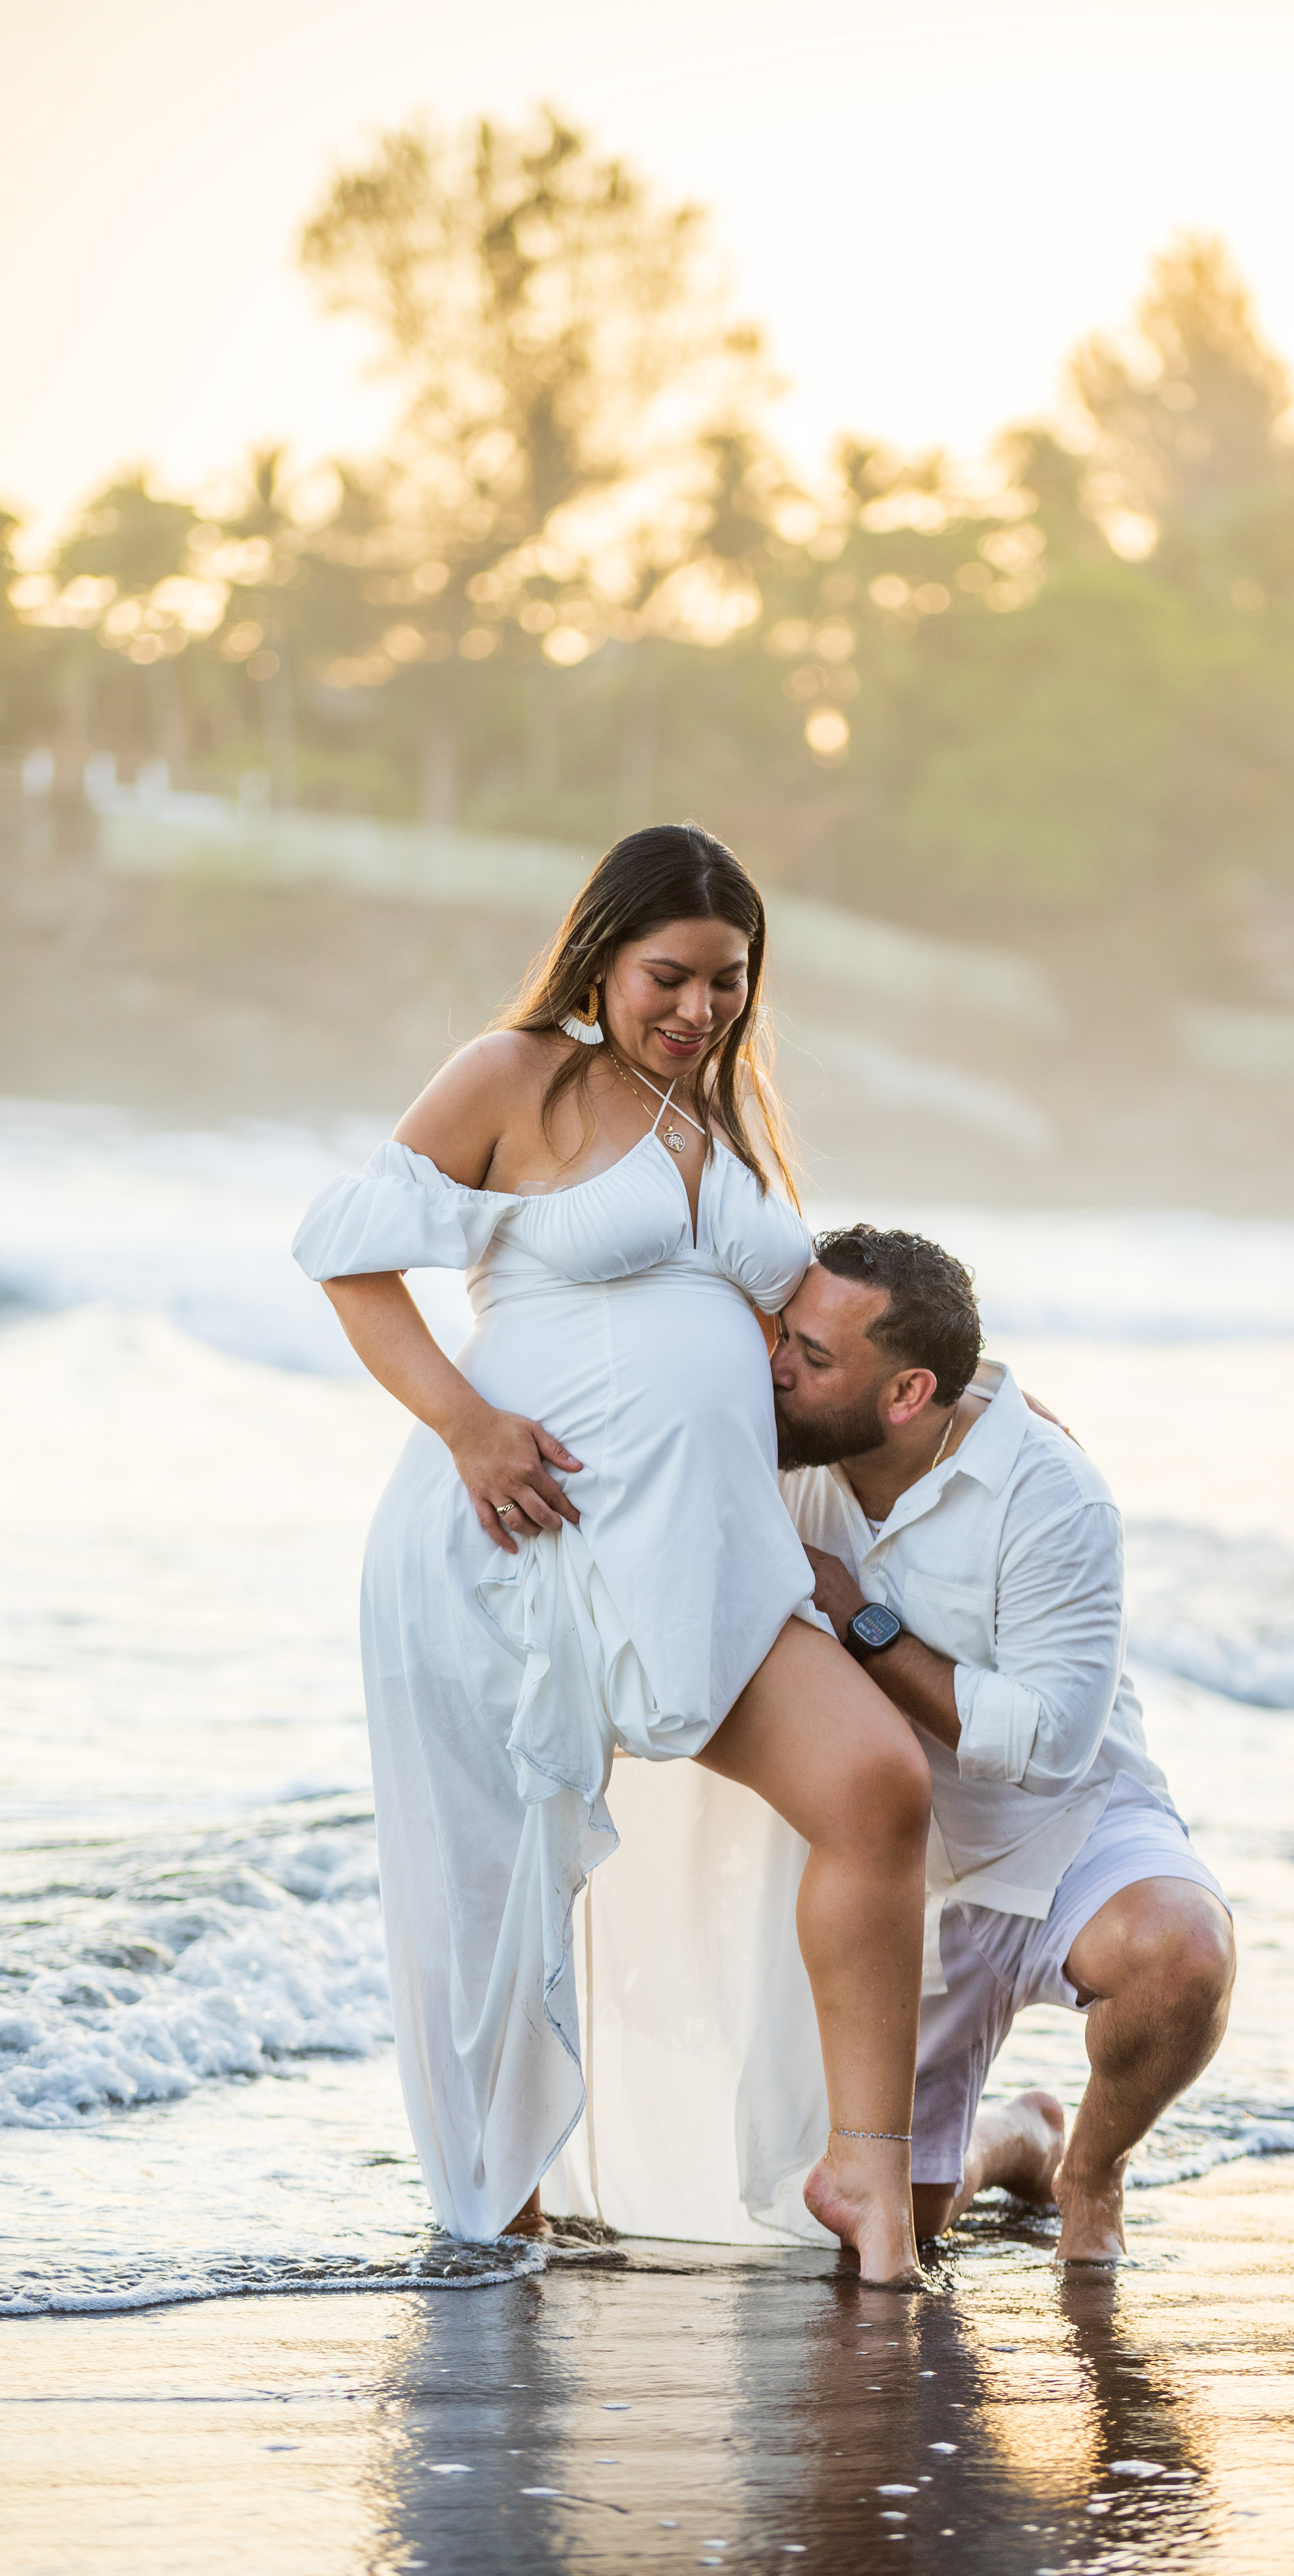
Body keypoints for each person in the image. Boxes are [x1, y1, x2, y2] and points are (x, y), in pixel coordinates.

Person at [291, 825, 930, 2284]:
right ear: (603, 956)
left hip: (705, 1563)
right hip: (510, 1548)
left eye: (728, 982)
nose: (699, 1010)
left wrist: (969, 1409)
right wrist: (468, 1427)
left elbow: (810, 1356)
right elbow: (348, 1251)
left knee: (875, 1786)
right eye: (671, 976)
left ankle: (867, 2177)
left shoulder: (733, 1133)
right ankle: (491, 2243)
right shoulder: (519, 1075)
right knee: (493, 1912)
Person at [774, 1226, 1235, 2263]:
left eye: (813, 1358)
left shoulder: (1055, 1497)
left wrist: (864, 1625)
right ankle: (1022, 2137)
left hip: (1063, 1836)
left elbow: (1053, 1741)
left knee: (1183, 1956)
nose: (778, 1371)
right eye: (784, 1339)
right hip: (901, 1877)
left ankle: (1094, 2171)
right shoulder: (794, 1430)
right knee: (909, 2219)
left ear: (906, 1396)